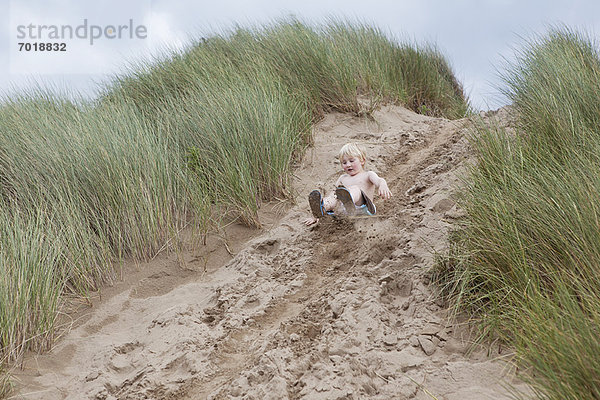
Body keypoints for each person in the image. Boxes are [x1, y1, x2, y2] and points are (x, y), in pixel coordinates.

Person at [304, 142, 392, 226]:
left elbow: (379, 180)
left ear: (362, 161)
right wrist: (317, 214)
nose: (348, 165)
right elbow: (333, 194)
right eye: (344, 163)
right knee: (333, 196)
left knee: (355, 189)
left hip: (364, 209)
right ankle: (322, 208)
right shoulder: (342, 178)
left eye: (351, 161)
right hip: (344, 210)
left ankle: (348, 200)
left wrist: (383, 185)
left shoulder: (368, 175)